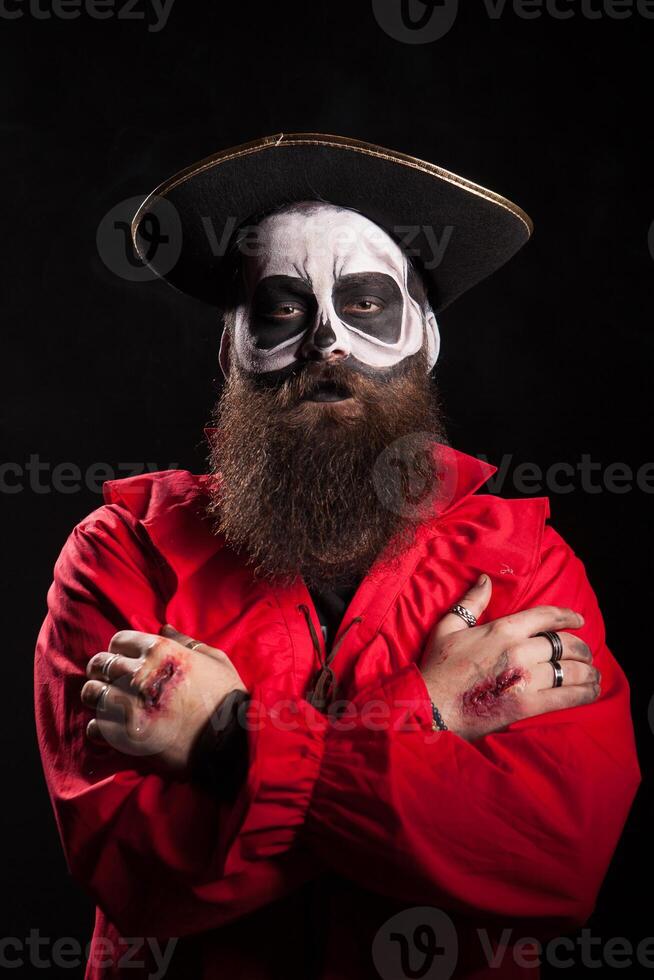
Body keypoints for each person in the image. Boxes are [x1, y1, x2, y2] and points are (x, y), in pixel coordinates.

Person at [34, 133, 641, 980]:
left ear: (423, 340)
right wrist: (426, 714)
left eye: (363, 305)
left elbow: (553, 862)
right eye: (281, 310)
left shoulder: (521, 558)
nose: (327, 343)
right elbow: (133, 870)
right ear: (231, 352)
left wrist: (227, 742)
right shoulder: (120, 556)